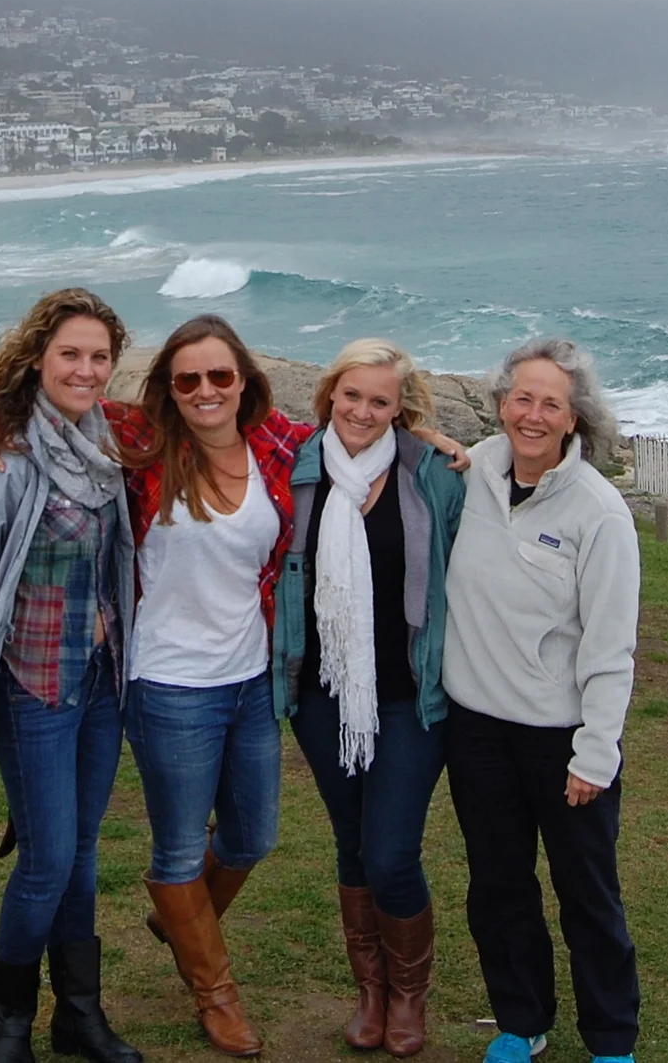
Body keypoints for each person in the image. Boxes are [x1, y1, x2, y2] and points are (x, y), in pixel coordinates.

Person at [0, 289, 146, 1063]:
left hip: (97, 682)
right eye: (70, 355)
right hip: (31, 686)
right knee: (49, 858)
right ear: (37, 361)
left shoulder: (106, 442)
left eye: (98, 357)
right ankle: (9, 1020)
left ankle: (78, 1016)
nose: (86, 370)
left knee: (80, 855)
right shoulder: (11, 455)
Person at [441, 338, 641, 1063]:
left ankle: (612, 1039)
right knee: (498, 885)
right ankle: (522, 1022)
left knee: (586, 892)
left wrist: (596, 753)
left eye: (549, 403)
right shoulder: (476, 471)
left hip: (563, 737)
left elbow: (611, 646)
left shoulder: (599, 512)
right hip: (477, 729)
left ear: (573, 419)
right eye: (521, 398)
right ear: (500, 404)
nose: (532, 414)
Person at [107, 314, 300, 1058]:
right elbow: (58, 409)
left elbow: (363, 429)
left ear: (244, 380)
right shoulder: (142, 448)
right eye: (187, 379)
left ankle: (181, 919)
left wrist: (439, 443)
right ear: (169, 389)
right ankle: (215, 994)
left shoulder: (277, 444)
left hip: (250, 678)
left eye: (220, 375)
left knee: (252, 837)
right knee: (180, 853)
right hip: (168, 683)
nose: (206, 390)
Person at [272, 339, 466, 1056]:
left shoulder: (434, 474)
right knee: (352, 847)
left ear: (400, 410)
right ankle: (371, 994)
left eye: (380, 401)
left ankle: (410, 995)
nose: (361, 411)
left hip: (410, 698)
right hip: (323, 696)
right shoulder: (295, 468)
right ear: (329, 396)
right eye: (350, 396)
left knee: (390, 852)